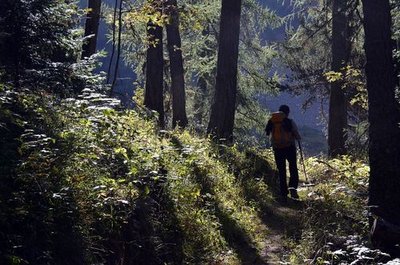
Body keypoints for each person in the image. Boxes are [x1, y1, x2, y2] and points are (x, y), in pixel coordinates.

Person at [265, 105, 301, 202]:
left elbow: (267, 133)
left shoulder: (272, 121)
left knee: (281, 170)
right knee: (293, 167)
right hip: (290, 147)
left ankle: (283, 193)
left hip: (277, 149)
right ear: (287, 112)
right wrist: (297, 138)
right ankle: (293, 188)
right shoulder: (289, 122)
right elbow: (297, 134)